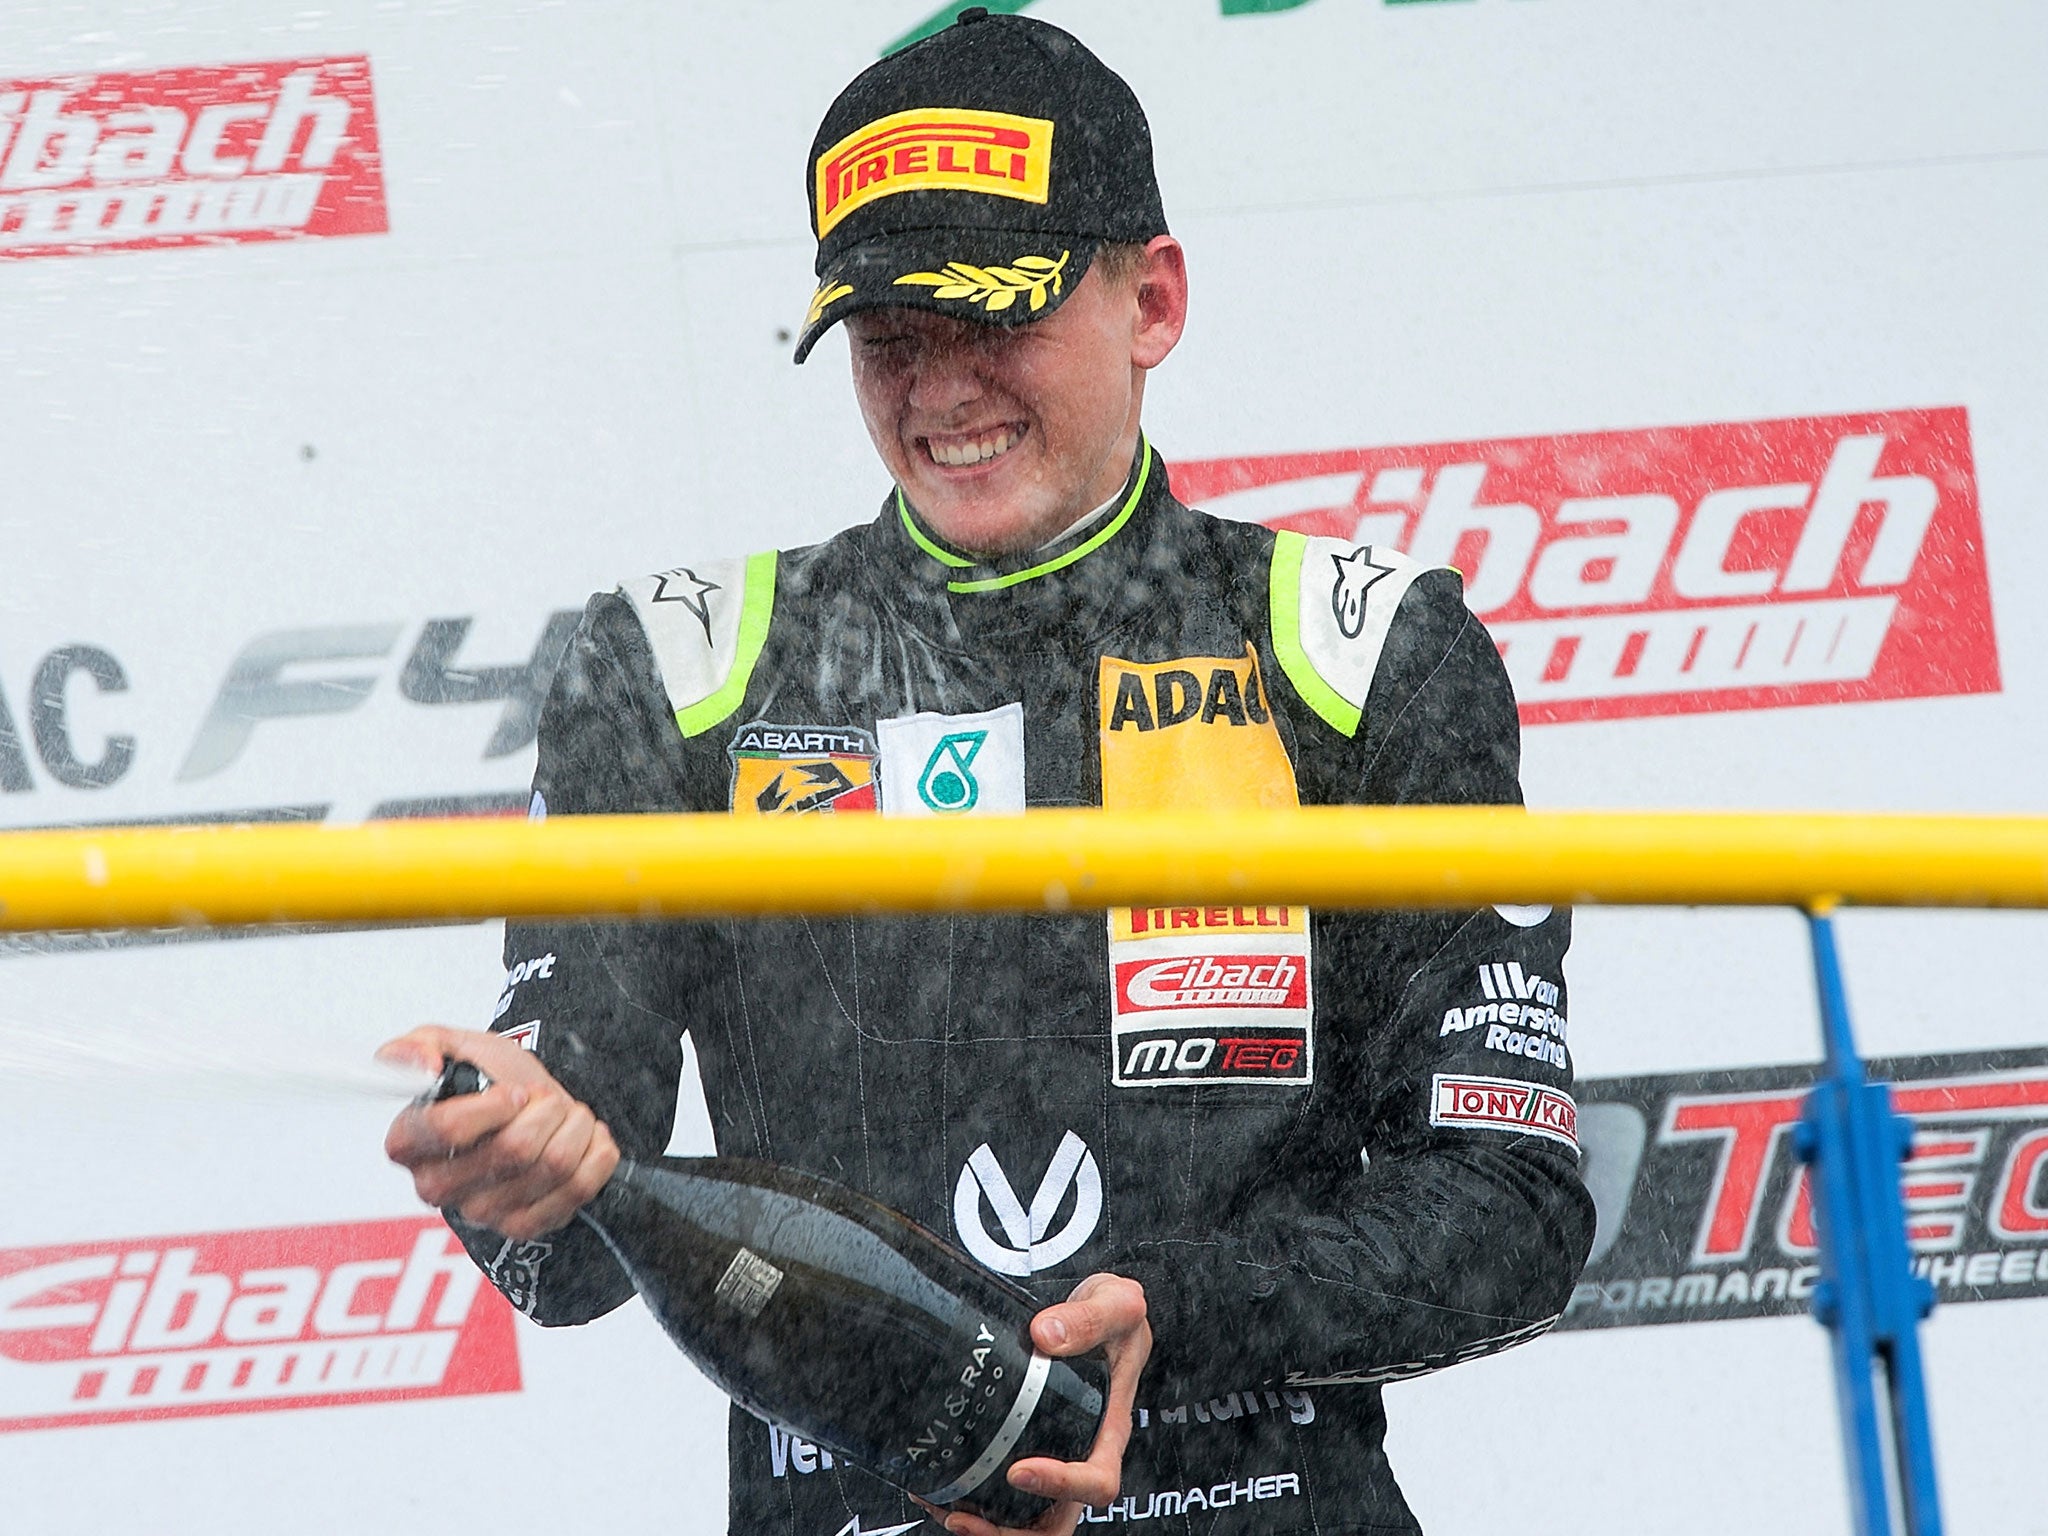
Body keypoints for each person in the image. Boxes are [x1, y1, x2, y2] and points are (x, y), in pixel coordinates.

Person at [381, 11, 1594, 1535]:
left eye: (994, 316)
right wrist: (507, 1159)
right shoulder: (679, 673)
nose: (942, 390)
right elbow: (557, 1259)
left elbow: (1511, 1208)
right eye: (892, 336)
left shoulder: (1356, 653)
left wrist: (1175, 1315)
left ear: (1153, 297)